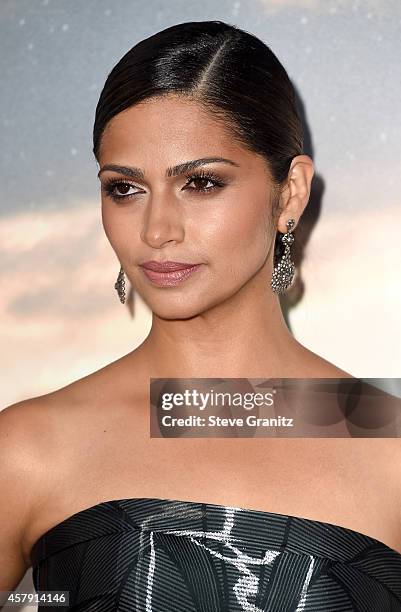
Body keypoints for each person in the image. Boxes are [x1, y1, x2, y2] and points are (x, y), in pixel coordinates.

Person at [1, 20, 400, 611]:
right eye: (125, 189)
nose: (158, 230)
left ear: (289, 194)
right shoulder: (30, 449)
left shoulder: (389, 447)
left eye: (201, 182)